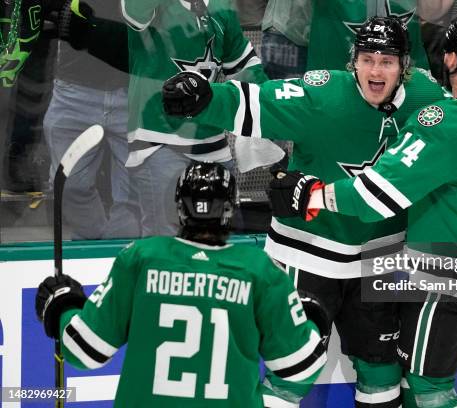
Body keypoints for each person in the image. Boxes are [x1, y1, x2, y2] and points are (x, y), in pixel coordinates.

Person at [267, 13, 457, 408]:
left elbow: (374, 197)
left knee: (430, 389)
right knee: (408, 378)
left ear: (449, 60)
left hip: (450, 264)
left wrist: (312, 194)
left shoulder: (443, 125)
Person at [162, 16, 447, 407]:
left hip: (379, 259)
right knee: (291, 374)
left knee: (381, 373)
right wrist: (205, 97)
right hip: (307, 254)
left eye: (386, 61)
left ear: (404, 68)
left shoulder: (427, 100)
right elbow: (257, 101)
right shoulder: (324, 94)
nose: (375, 70)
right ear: (354, 63)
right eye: (367, 59)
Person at [35, 161, 327, 407]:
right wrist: (310, 324)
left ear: (179, 206)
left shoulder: (141, 258)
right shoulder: (260, 271)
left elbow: (85, 351)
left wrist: (62, 307)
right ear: (230, 208)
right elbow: (299, 366)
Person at [121, 0, 268, 236]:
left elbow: (245, 65)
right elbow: (134, 12)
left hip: (212, 143)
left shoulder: (222, 7)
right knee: (165, 241)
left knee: (221, 238)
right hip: (159, 141)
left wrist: (267, 105)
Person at [43, 0, 140, 239]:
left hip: (135, 89)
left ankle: (119, 254)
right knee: (67, 184)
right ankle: (94, 245)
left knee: (135, 191)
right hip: (75, 89)